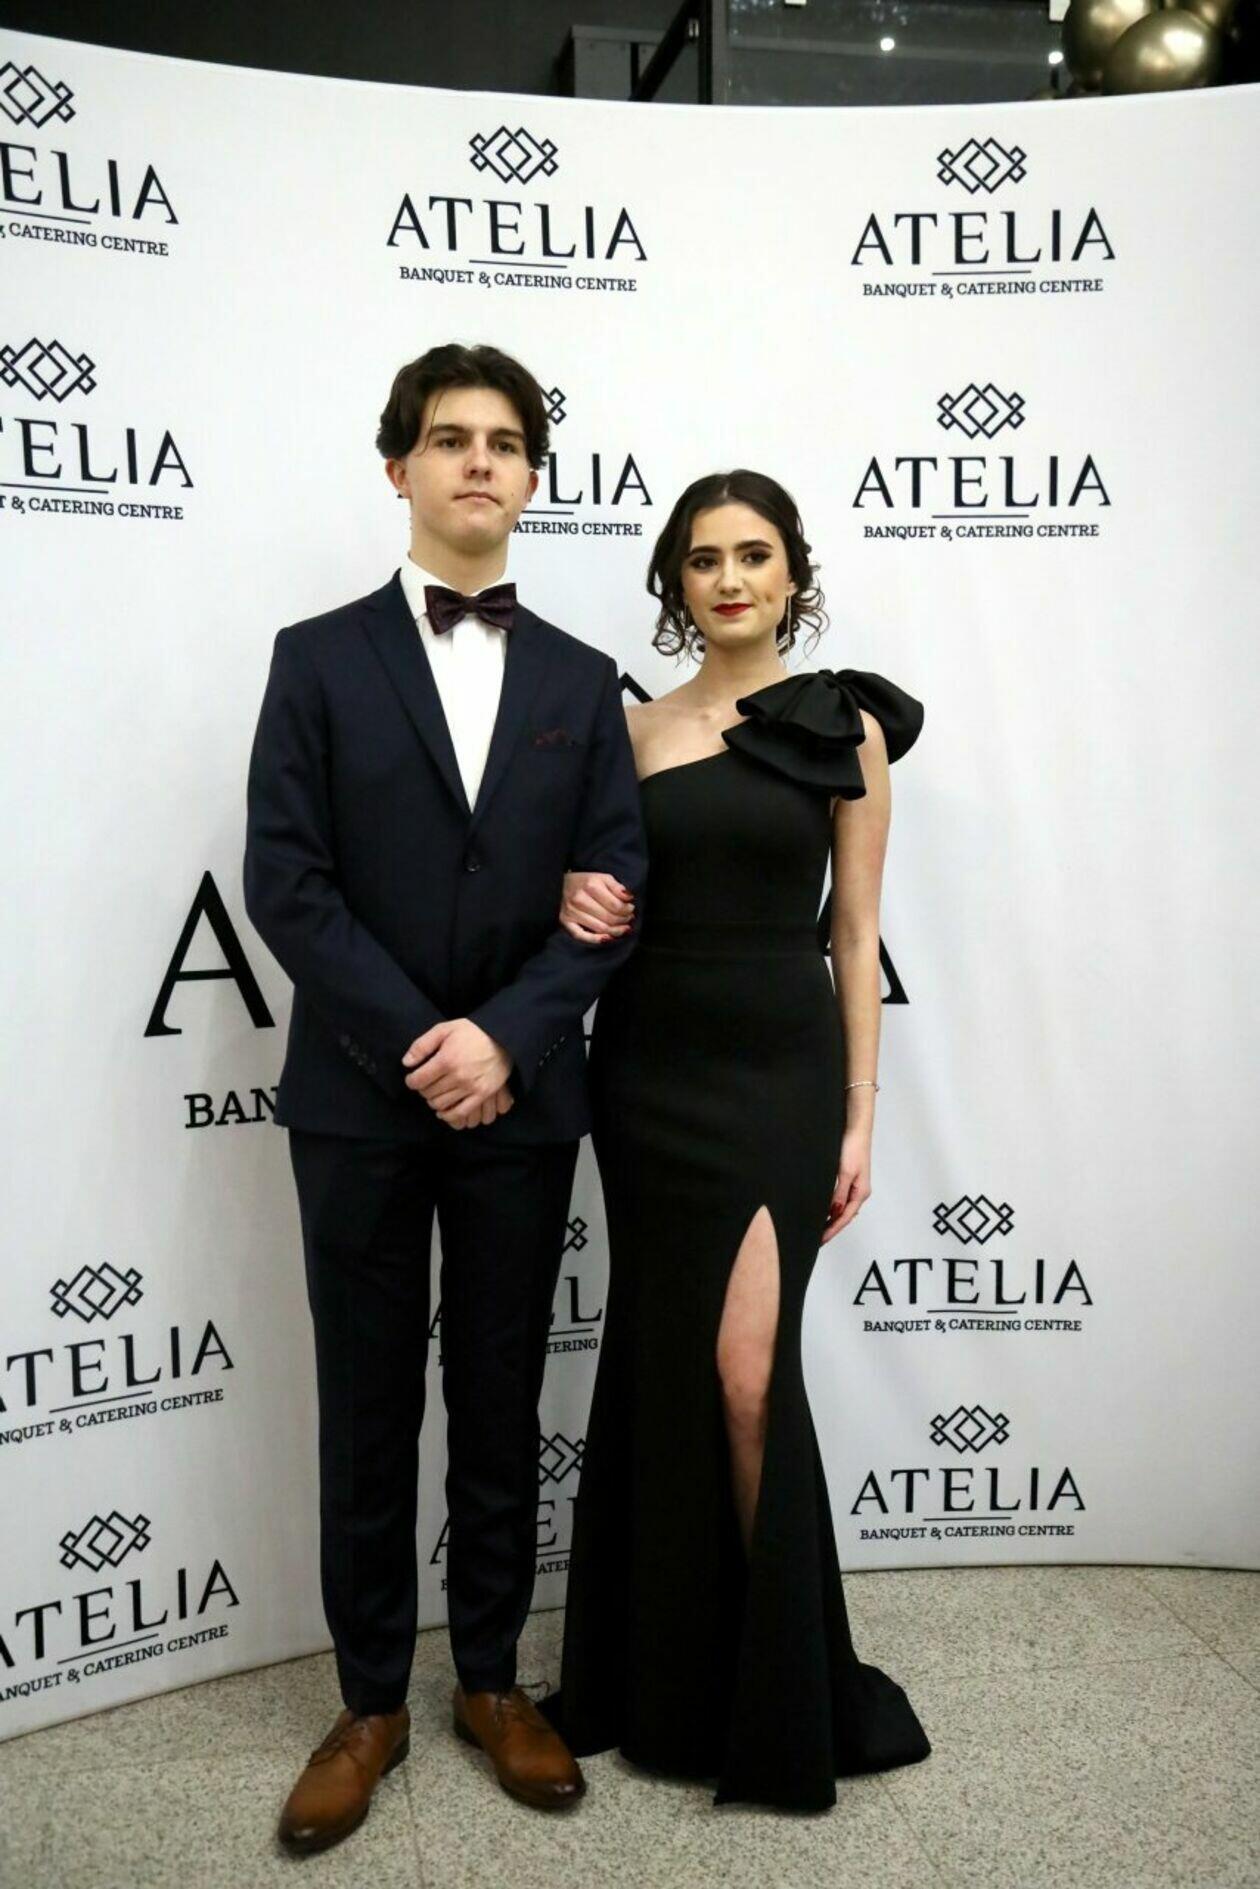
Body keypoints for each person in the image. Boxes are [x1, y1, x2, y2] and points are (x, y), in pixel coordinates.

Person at [243, 342, 647, 1852]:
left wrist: (510, 1040)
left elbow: (615, 888)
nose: (480, 460)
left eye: (505, 440)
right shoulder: (314, 658)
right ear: (399, 465)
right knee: (366, 1406)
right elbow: (286, 882)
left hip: (522, 1106)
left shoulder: (580, 680)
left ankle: (489, 1678)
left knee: (498, 1397)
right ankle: (368, 1702)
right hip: (359, 1101)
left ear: (532, 474)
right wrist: (433, 1042)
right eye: (449, 436)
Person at [547, 469, 932, 1810]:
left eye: (754, 554)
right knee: (665, 1366)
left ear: (793, 576)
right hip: (647, 1068)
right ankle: (666, 1678)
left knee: (748, 1373)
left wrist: (861, 1112)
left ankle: (781, 1692)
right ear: (675, 582)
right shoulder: (630, 731)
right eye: (705, 558)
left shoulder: (845, 726)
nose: (729, 578)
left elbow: (855, 933)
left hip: (779, 1074)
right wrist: (576, 896)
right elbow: (590, 901)